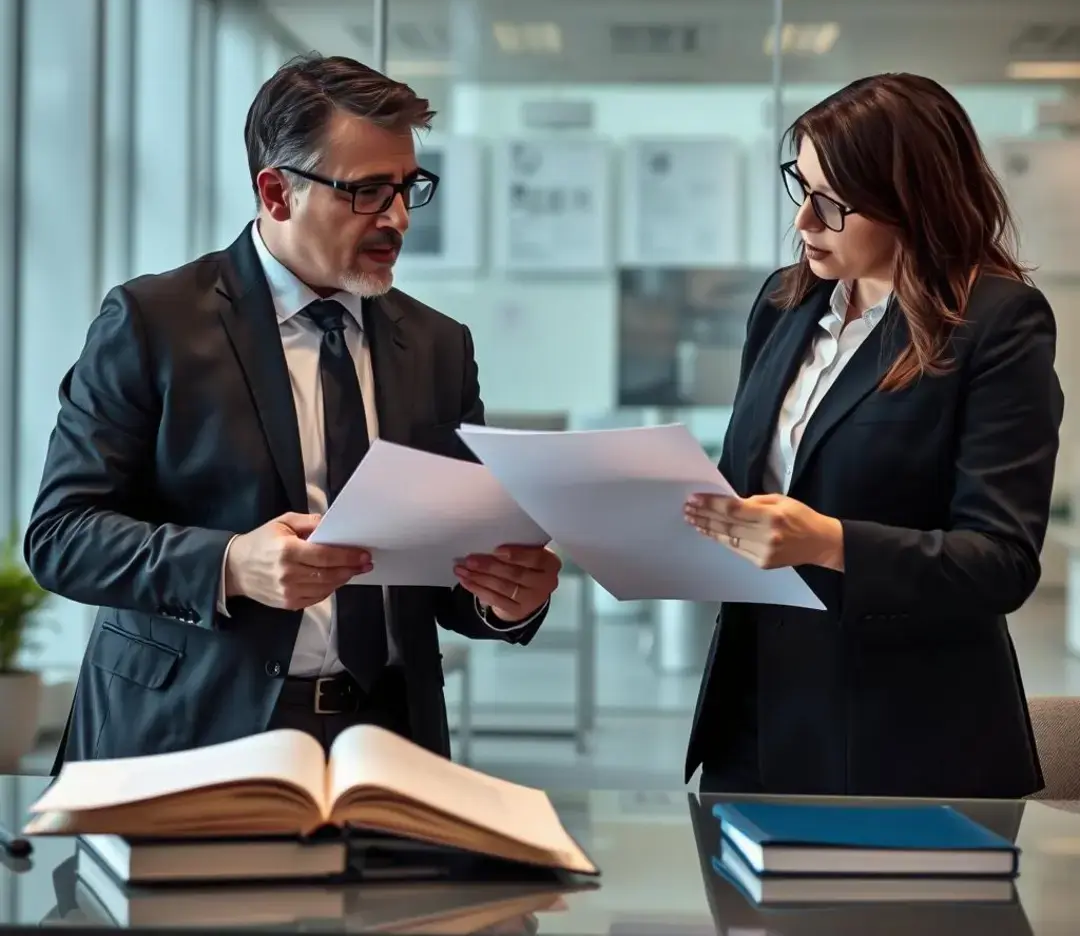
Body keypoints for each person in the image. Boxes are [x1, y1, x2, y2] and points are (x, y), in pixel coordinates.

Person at [24, 53, 561, 768]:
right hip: (189, 733)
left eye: (409, 187)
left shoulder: (436, 345)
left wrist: (508, 598)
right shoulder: (155, 322)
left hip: (387, 743)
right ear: (277, 193)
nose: (397, 218)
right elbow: (62, 536)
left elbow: (448, 573)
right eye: (369, 191)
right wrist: (231, 563)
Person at [682, 72, 1063, 799]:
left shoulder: (998, 323)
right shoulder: (785, 301)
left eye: (832, 203)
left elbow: (1002, 561)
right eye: (801, 187)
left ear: (910, 201)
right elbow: (756, 483)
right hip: (756, 713)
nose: (804, 223)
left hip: (904, 730)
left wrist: (829, 541)